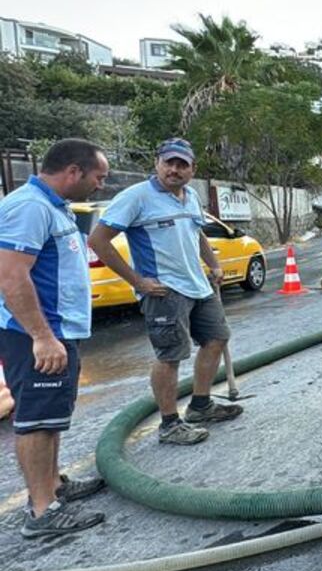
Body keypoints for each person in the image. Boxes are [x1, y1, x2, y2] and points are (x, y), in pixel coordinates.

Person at [88, 138, 243, 446]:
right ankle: (170, 424)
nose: (174, 169)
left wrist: (213, 263)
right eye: (169, 162)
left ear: (191, 169)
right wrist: (137, 281)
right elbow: (99, 240)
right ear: (157, 163)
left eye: (182, 164)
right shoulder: (136, 197)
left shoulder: (191, 197)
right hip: (164, 291)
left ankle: (201, 406)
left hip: (199, 284)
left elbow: (196, 232)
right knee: (170, 356)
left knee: (216, 340)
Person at [0, 139, 109, 537]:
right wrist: (41, 337)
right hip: (35, 336)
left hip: (58, 332)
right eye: (99, 176)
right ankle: (42, 512)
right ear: (74, 172)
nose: (100, 185)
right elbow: (11, 274)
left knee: (51, 417)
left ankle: (54, 487)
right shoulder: (28, 207)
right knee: (34, 421)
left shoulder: (52, 207)